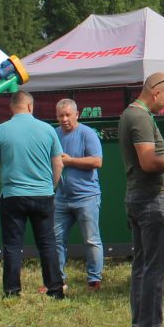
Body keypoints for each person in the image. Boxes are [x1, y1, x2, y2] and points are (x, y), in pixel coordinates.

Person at [121, 72, 164, 327]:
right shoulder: (140, 117)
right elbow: (148, 161)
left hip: (140, 197)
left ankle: (140, 325)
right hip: (151, 200)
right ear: (155, 92)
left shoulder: (132, 114)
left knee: (143, 266)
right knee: (154, 268)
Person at [0, 90, 65, 297]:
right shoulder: (48, 130)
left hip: (12, 196)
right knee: (47, 243)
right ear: (30, 106)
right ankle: (55, 289)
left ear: (12, 107)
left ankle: (12, 291)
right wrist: (51, 187)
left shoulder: (0, 131)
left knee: (12, 245)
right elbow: (58, 163)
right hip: (43, 194)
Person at [53, 99, 106, 290]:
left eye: (68, 115)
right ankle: (57, 280)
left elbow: (97, 161)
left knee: (91, 240)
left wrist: (70, 161)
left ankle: (94, 279)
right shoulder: (54, 134)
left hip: (87, 197)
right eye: (61, 115)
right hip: (61, 197)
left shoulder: (87, 133)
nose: (64, 119)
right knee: (56, 239)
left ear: (77, 114)